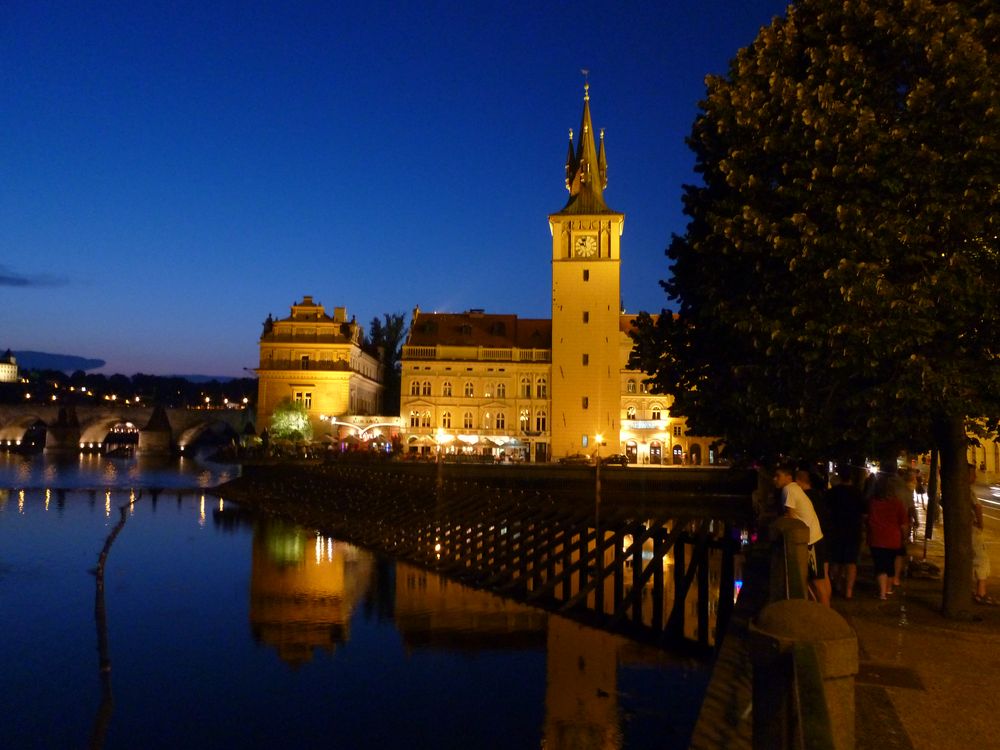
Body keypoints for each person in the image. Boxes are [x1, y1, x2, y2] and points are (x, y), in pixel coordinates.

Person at [774, 463, 831, 606]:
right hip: (815, 536)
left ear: (788, 477)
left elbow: (790, 517)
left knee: (817, 581)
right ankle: (823, 609)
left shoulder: (788, 490)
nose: (774, 479)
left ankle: (826, 615)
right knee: (816, 579)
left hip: (811, 539)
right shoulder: (794, 488)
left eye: (778, 476)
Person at [826, 464, 867, 599]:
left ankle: (836, 584)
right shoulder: (858, 493)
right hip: (853, 531)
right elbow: (865, 513)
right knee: (851, 562)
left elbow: (827, 511)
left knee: (836, 560)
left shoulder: (833, 493)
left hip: (836, 529)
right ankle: (848, 591)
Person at [866, 474, 909, 600]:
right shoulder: (897, 503)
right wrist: (904, 537)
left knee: (880, 565)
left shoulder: (873, 503)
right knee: (890, 565)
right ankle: (888, 589)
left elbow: (868, 519)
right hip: (893, 539)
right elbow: (904, 524)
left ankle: (882, 593)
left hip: (876, 538)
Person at [970, 464, 996, 605]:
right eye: (972, 474)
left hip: (967, 530)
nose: (975, 477)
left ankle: (977, 591)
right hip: (972, 530)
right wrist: (980, 524)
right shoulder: (968, 491)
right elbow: (978, 507)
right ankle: (981, 593)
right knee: (981, 559)